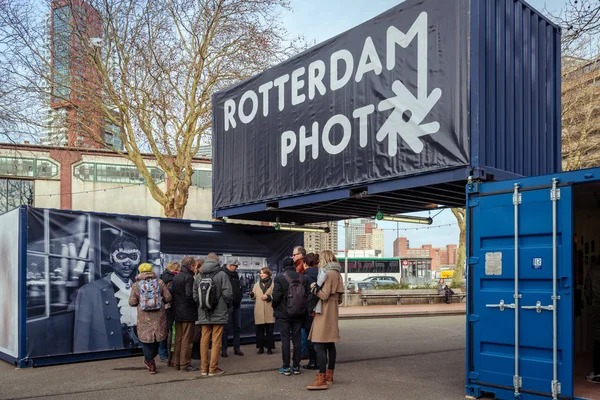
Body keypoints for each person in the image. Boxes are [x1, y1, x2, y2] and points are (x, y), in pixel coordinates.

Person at [73, 235, 141, 353]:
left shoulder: (141, 289)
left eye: (133, 257)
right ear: (111, 258)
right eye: (121, 256)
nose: (127, 263)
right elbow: (81, 341)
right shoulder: (89, 292)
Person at [306, 250, 344, 390]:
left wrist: (313, 288)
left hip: (324, 311)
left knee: (318, 343)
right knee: (329, 343)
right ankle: (329, 375)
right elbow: (339, 297)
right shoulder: (338, 273)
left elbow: (324, 295)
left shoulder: (327, 273)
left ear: (324, 258)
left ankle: (321, 377)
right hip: (333, 310)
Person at [128, 263, 172, 374]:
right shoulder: (160, 282)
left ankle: (150, 362)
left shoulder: (136, 285)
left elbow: (132, 302)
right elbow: (168, 297)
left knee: (145, 339)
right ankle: (152, 357)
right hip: (159, 316)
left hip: (144, 317)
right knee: (158, 337)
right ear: (151, 271)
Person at [194, 253, 233, 376]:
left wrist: (202, 304)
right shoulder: (222, 274)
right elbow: (228, 293)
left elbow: (195, 295)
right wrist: (225, 304)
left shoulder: (199, 275)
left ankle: (203, 369)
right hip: (219, 312)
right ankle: (213, 369)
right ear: (217, 261)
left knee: (204, 340)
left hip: (203, 312)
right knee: (216, 341)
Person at [272, 256, 309, 376]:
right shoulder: (303, 277)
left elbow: (276, 296)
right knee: (297, 340)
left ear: (283, 266)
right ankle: (296, 366)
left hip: (284, 314)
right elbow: (307, 295)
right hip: (299, 313)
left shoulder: (279, 277)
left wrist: (274, 306)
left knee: (285, 340)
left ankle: (286, 367)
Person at [170, 256, 199, 372]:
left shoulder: (176, 277)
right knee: (187, 339)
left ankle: (175, 362)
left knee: (178, 339)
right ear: (191, 266)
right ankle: (185, 364)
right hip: (187, 312)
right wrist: (196, 304)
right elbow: (189, 295)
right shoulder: (189, 278)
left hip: (177, 311)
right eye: (195, 266)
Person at [221, 259, 244, 357]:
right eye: (236, 266)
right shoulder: (222, 274)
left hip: (237, 303)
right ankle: (224, 349)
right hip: (227, 305)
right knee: (226, 328)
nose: (237, 268)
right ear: (230, 265)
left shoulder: (235, 274)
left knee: (237, 327)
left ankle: (237, 348)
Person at [250, 267, 275, 355]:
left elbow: (276, 295)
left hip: (269, 310)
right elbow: (254, 298)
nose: (261, 275)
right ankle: (260, 348)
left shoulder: (273, 284)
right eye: (260, 273)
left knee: (269, 331)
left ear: (268, 274)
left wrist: (268, 297)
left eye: (263, 273)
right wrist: (252, 294)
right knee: (259, 331)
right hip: (259, 310)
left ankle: (269, 348)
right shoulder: (256, 284)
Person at [159, 261, 180, 364]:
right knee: (172, 332)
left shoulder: (161, 277)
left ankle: (163, 354)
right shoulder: (173, 278)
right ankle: (170, 354)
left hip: (162, 308)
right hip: (172, 308)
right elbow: (170, 295)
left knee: (164, 332)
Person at [302, 252, 320, 370]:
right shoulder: (323, 275)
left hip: (308, 310)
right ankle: (322, 359)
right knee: (320, 336)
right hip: (322, 309)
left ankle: (313, 362)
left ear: (305, 264)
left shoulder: (304, 277)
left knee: (309, 336)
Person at [585, 261, 600, 383]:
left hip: (597, 308)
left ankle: (597, 372)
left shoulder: (593, 271)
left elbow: (587, 292)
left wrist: (591, 303)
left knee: (598, 339)